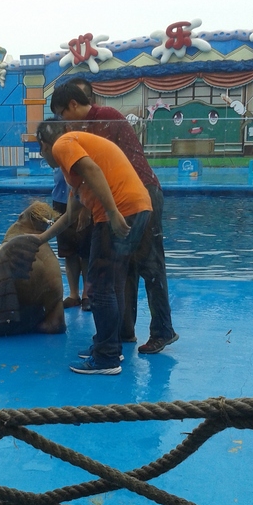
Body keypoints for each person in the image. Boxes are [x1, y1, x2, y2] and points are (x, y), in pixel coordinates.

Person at [50, 80, 178, 355]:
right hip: (124, 197)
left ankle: (162, 330)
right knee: (125, 265)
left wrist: (97, 209)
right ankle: (124, 330)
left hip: (140, 192)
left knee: (150, 264)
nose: (62, 121)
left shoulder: (103, 118)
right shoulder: (87, 125)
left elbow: (98, 169)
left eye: (62, 113)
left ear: (73, 105)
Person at [35, 120, 152, 375]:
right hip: (138, 206)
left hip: (120, 210)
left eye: (41, 152)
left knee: (99, 288)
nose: (45, 157)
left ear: (43, 144)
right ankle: (109, 345)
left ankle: (106, 358)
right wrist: (40, 240)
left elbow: (94, 170)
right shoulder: (73, 165)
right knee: (110, 284)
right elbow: (69, 217)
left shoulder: (62, 145)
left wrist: (112, 212)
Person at [51, 163, 91, 310]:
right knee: (68, 252)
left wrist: (85, 207)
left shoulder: (73, 146)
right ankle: (74, 294)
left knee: (85, 251)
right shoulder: (57, 150)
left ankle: (87, 294)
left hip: (81, 200)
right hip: (60, 200)